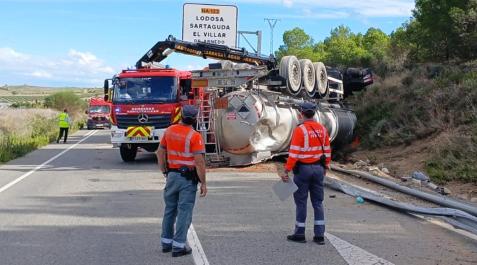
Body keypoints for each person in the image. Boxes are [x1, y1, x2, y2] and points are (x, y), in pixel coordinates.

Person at [156, 105, 207, 257]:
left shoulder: (169, 130)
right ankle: (178, 246)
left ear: (181, 116)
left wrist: (165, 170)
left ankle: (166, 243)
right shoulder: (195, 136)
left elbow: (159, 152)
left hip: (171, 176)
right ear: (195, 118)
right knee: (184, 211)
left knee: (170, 209)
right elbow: (199, 162)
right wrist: (203, 183)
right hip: (187, 179)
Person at [280, 101, 331, 245]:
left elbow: (294, 153)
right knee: (318, 202)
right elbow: (327, 150)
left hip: (303, 170)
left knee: (301, 202)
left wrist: (286, 170)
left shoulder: (300, 130)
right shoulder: (322, 129)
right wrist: (325, 166)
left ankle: (300, 233)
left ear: (300, 113)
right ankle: (319, 235)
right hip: (319, 169)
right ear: (314, 113)